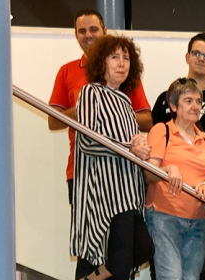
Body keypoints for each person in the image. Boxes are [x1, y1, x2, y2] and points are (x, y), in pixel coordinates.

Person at [69, 35, 155, 280]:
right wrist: (130, 147)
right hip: (104, 188)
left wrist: (140, 147)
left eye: (126, 58)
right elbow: (88, 141)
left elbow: (128, 144)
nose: (122, 63)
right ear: (101, 62)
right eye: (115, 57)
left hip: (129, 189)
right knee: (121, 250)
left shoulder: (126, 102)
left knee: (143, 248)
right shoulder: (90, 93)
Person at [48, 8, 152, 206]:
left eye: (93, 29)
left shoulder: (126, 73)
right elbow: (53, 121)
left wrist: (114, 110)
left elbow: (147, 120)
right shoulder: (66, 71)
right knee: (90, 225)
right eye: (82, 31)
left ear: (104, 31)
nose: (88, 35)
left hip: (125, 170)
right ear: (75, 35)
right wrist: (88, 106)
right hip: (82, 170)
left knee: (127, 225)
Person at [143, 77, 205, 280]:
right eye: (188, 101)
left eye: (198, 101)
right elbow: (148, 173)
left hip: (198, 222)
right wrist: (166, 167)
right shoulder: (161, 131)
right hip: (165, 215)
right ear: (173, 105)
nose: (195, 106)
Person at [150, 33, 205, 170]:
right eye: (196, 54)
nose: (201, 59)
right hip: (168, 176)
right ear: (187, 57)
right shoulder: (166, 98)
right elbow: (152, 141)